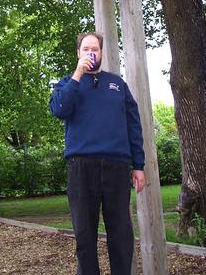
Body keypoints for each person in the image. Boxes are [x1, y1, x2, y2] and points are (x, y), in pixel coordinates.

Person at [49, 32, 145, 275]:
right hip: (81, 167)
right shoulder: (67, 83)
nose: (91, 53)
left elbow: (133, 125)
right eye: (86, 49)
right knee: (84, 235)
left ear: (101, 53)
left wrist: (138, 165)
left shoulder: (117, 84)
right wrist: (78, 75)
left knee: (121, 234)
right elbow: (59, 110)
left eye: (95, 49)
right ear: (78, 53)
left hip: (116, 167)